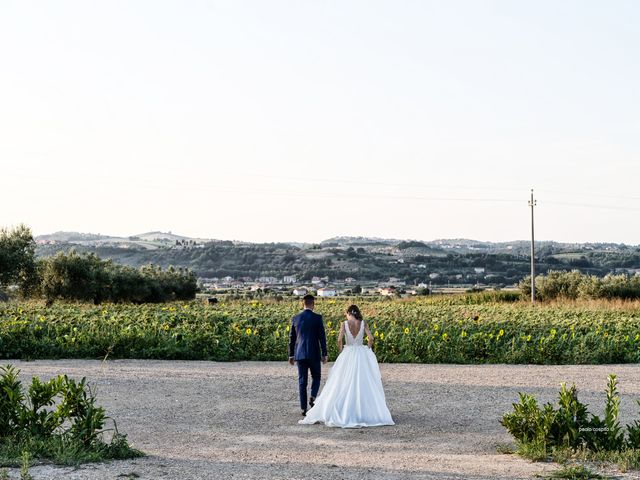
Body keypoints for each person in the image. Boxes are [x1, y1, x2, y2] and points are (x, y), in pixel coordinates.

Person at [299, 304, 394, 428]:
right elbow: (371, 338)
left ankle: (343, 407)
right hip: (361, 353)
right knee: (363, 381)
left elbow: (339, 340)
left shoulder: (344, 324)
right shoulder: (363, 323)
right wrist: (367, 349)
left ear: (349, 313)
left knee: (341, 382)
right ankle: (363, 410)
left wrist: (341, 351)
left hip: (348, 352)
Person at [288, 294, 328, 416]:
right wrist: (324, 353)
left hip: (300, 354)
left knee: (302, 381)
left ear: (303, 303)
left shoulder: (296, 318)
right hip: (314, 353)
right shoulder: (317, 318)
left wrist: (291, 355)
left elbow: (292, 338)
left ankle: (303, 408)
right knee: (316, 377)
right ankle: (313, 396)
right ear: (313, 304)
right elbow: (322, 337)